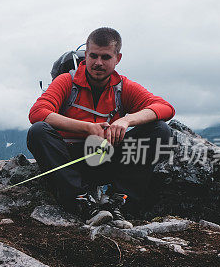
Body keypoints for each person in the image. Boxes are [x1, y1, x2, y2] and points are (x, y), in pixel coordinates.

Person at [27, 27, 174, 227]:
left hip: (108, 158)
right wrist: (88, 128)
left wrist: (126, 121)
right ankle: (81, 201)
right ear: (86, 55)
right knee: (38, 132)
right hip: (71, 161)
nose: (98, 63)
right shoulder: (66, 82)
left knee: (160, 130)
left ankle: (118, 201)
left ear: (117, 58)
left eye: (105, 57)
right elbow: (37, 113)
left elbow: (165, 108)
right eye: (93, 56)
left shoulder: (123, 87)